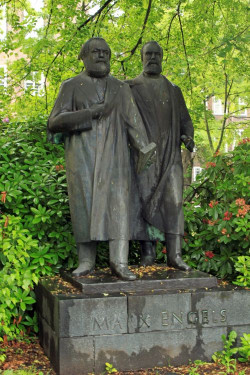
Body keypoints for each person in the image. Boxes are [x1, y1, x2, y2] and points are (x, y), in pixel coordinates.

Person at [47, 37, 155, 281]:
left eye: (105, 52)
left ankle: (120, 262)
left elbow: (133, 123)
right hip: (82, 156)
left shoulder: (120, 88)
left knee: (118, 205)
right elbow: (54, 122)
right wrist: (89, 113)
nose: (102, 56)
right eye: (96, 52)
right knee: (84, 204)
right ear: (83, 56)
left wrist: (144, 149)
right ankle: (86, 262)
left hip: (116, 158)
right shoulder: (71, 86)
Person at [127, 41, 194, 271]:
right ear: (142, 57)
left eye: (157, 54)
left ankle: (175, 255)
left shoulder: (174, 90)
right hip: (144, 156)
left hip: (171, 157)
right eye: (149, 54)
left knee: (174, 202)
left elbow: (186, 120)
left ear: (162, 58)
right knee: (145, 200)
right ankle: (148, 254)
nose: (153, 58)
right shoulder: (131, 88)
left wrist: (188, 137)